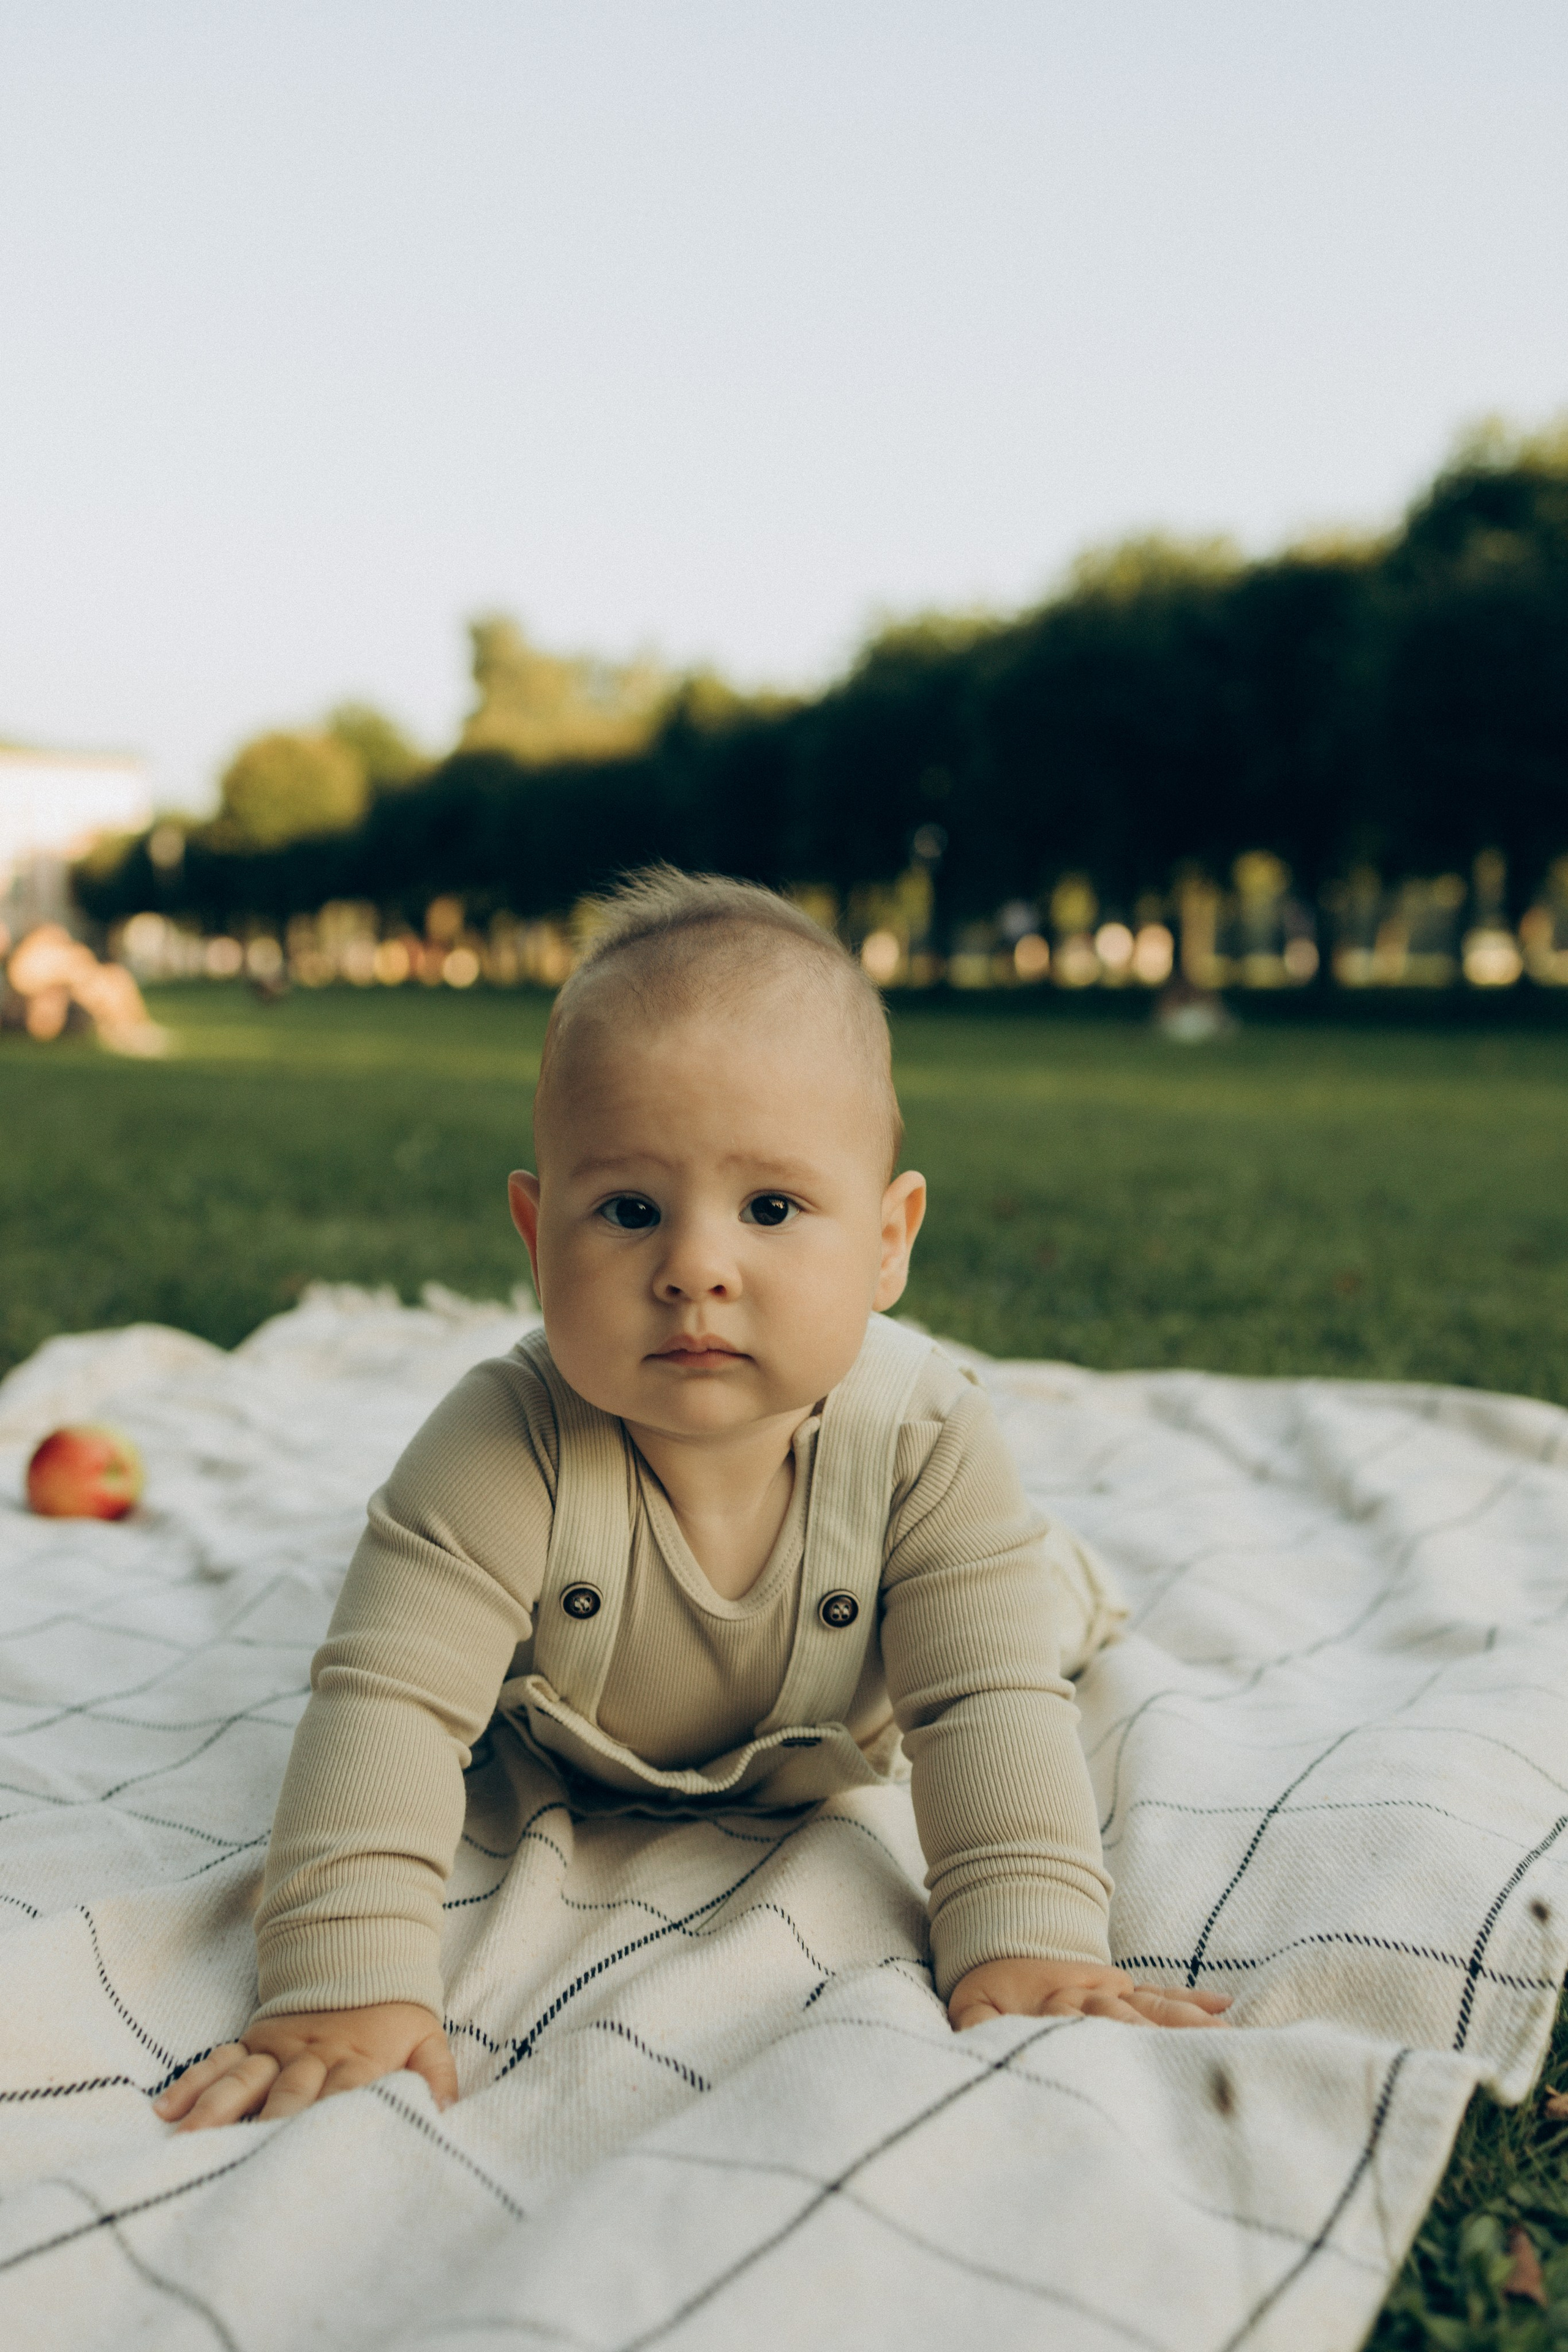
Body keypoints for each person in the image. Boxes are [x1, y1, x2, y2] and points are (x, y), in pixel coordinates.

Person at [156, 867, 1228, 2133]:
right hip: (593, 1711)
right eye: (627, 1210)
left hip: (870, 1679)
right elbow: (385, 1707)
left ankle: (1057, 1571)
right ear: (534, 1230)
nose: (694, 1268)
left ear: (889, 1240)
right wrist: (341, 1983)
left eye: (771, 1207)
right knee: (401, 1614)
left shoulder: (923, 1437)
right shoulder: (501, 1445)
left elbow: (981, 1701)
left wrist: (1029, 1933)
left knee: (1026, 1612)